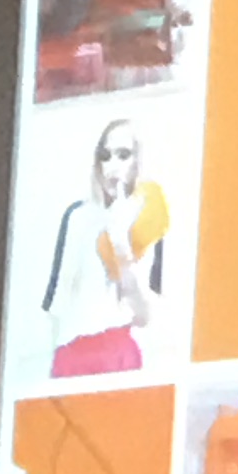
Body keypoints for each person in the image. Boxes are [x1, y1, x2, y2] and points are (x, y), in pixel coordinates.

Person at [42, 118, 169, 378]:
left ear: (137, 161)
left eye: (123, 155)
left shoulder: (148, 220)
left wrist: (120, 243)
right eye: (105, 156)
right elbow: (57, 303)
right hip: (72, 351)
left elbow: (144, 314)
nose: (113, 166)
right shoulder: (77, 217)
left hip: (118, 351)